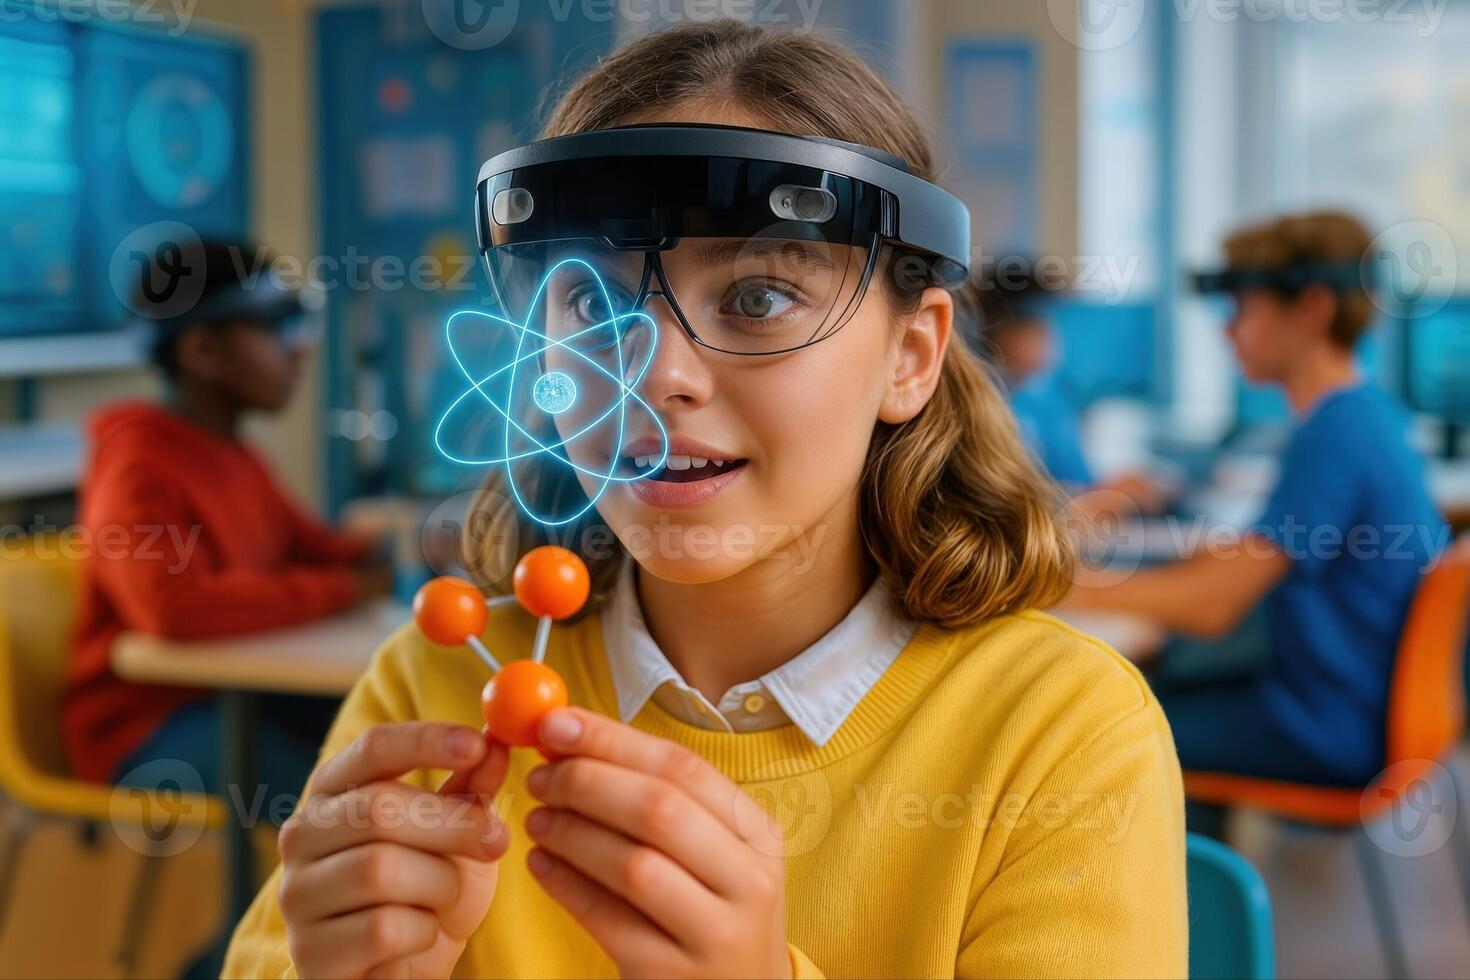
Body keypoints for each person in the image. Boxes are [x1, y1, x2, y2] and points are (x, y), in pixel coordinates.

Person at [226, 20, 1186, 978]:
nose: (659, 375)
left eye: (759, 296)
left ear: (911, 356)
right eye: (594, 305)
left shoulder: (1062, 731)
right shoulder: (439, 686)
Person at [1066, 211, 1448, 793]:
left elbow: (1214, 607)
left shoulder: (1336, 433)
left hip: (1324, 729)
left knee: (1097, 726)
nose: (1227, 331)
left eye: (1241, 309)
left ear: (1312, 308)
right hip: (1338, 707)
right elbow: (1250, 559)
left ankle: (1195, 879)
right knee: (1145, 689)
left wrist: (1064, 587)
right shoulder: (1363, 417)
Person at [61, 240, 394, 797]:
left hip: (235, 689)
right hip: (144, 724)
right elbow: (173, 609)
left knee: (387, 741)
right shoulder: (137, 464)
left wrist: (414, 542)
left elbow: (317, 547)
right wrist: (347, 587)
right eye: (278, 327)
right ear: (201, 352)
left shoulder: (235, 454)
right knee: (342, 805)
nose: (301, 351)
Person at [978, 264, 1168, 513]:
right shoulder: (977, 405)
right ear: (999, 330)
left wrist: (1110, 490)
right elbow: (996, 504)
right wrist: (1091, 500)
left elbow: (1077, 480)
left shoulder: (1047, 399)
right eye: (1040, 326)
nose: (1052, 337)